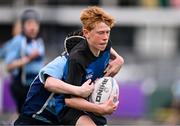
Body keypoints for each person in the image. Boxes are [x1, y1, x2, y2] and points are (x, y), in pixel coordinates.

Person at [59, 6, 123, 126]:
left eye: (107, 32)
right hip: (69, 108)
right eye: (100, 33)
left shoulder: (105, 45)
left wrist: (120, 59)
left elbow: (109, 48)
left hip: (89, 104)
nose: (105, 37)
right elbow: (69, 100)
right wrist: (100, 109)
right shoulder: (77, 59)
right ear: (86, 33)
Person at [5, 9, 45, 114]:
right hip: (22, 87)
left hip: (36, 87)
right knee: (25, 116)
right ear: (23, 26)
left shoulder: (39, 42)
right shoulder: (18, 41)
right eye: (29, 24)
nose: (33, 27)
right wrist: (28, 58)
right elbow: (9, 66)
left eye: (35, 24)